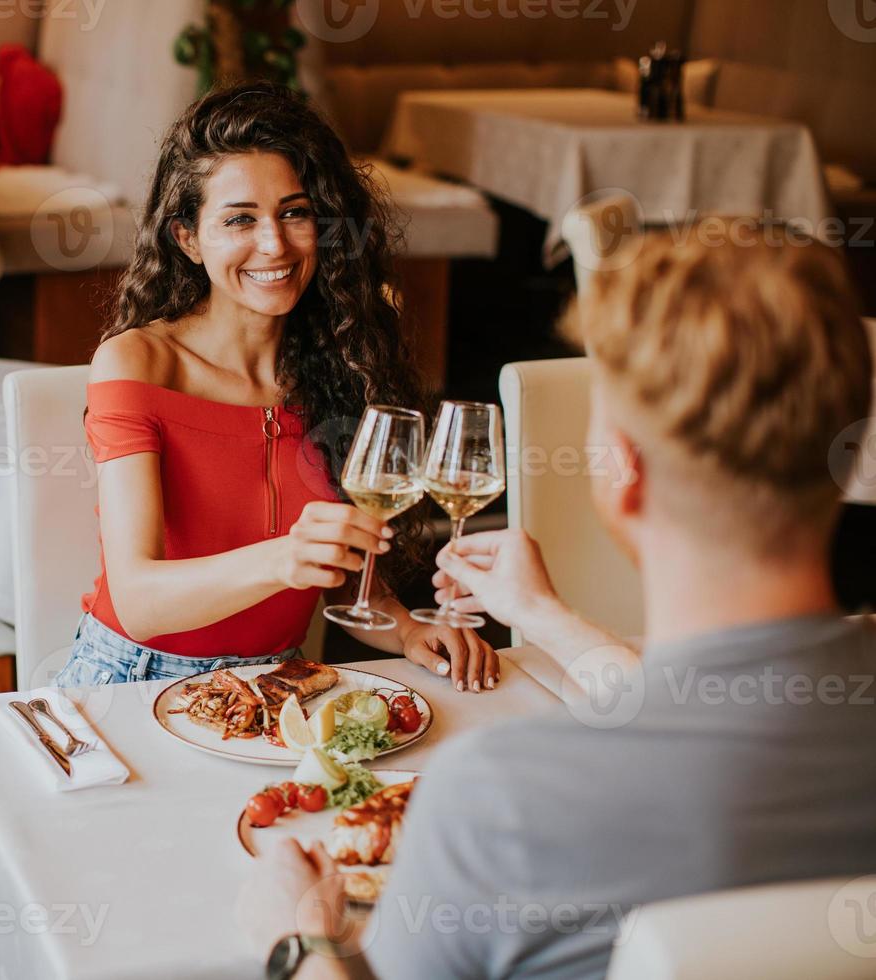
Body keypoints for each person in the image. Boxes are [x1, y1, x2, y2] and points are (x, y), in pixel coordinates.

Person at [239, 232, 876, 979]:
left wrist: (299, 943)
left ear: (623, 473)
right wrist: (541, 614)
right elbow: (729, 717)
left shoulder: (499, 801)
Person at [55, 82, 499, 691]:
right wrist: (283, 560)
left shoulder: (341, 360)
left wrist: (405, 629)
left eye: (294, 213)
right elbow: (139, 601)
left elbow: (338, 569)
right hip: (134, 680)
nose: (275, 244)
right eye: (240, 219)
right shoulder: (138, 363)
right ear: (187, 237)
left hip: (281, 684)